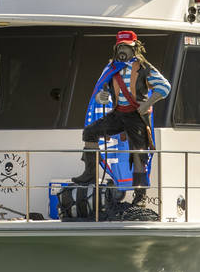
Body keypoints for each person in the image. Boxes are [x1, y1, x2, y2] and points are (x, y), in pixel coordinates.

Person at [70, 30, 172, 205]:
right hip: (118, 114)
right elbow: (102, 91)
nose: (123, 50)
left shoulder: (144, 67)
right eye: (120, 47)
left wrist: (147, 105)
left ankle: (140, 196)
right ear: (116, 48)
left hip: (136, 116)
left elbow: (164, 87)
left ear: (135, 48)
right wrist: (101, 97)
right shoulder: (111, 68)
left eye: (127, 46)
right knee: (90, 132)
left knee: (138, 153)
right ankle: (91, 173)